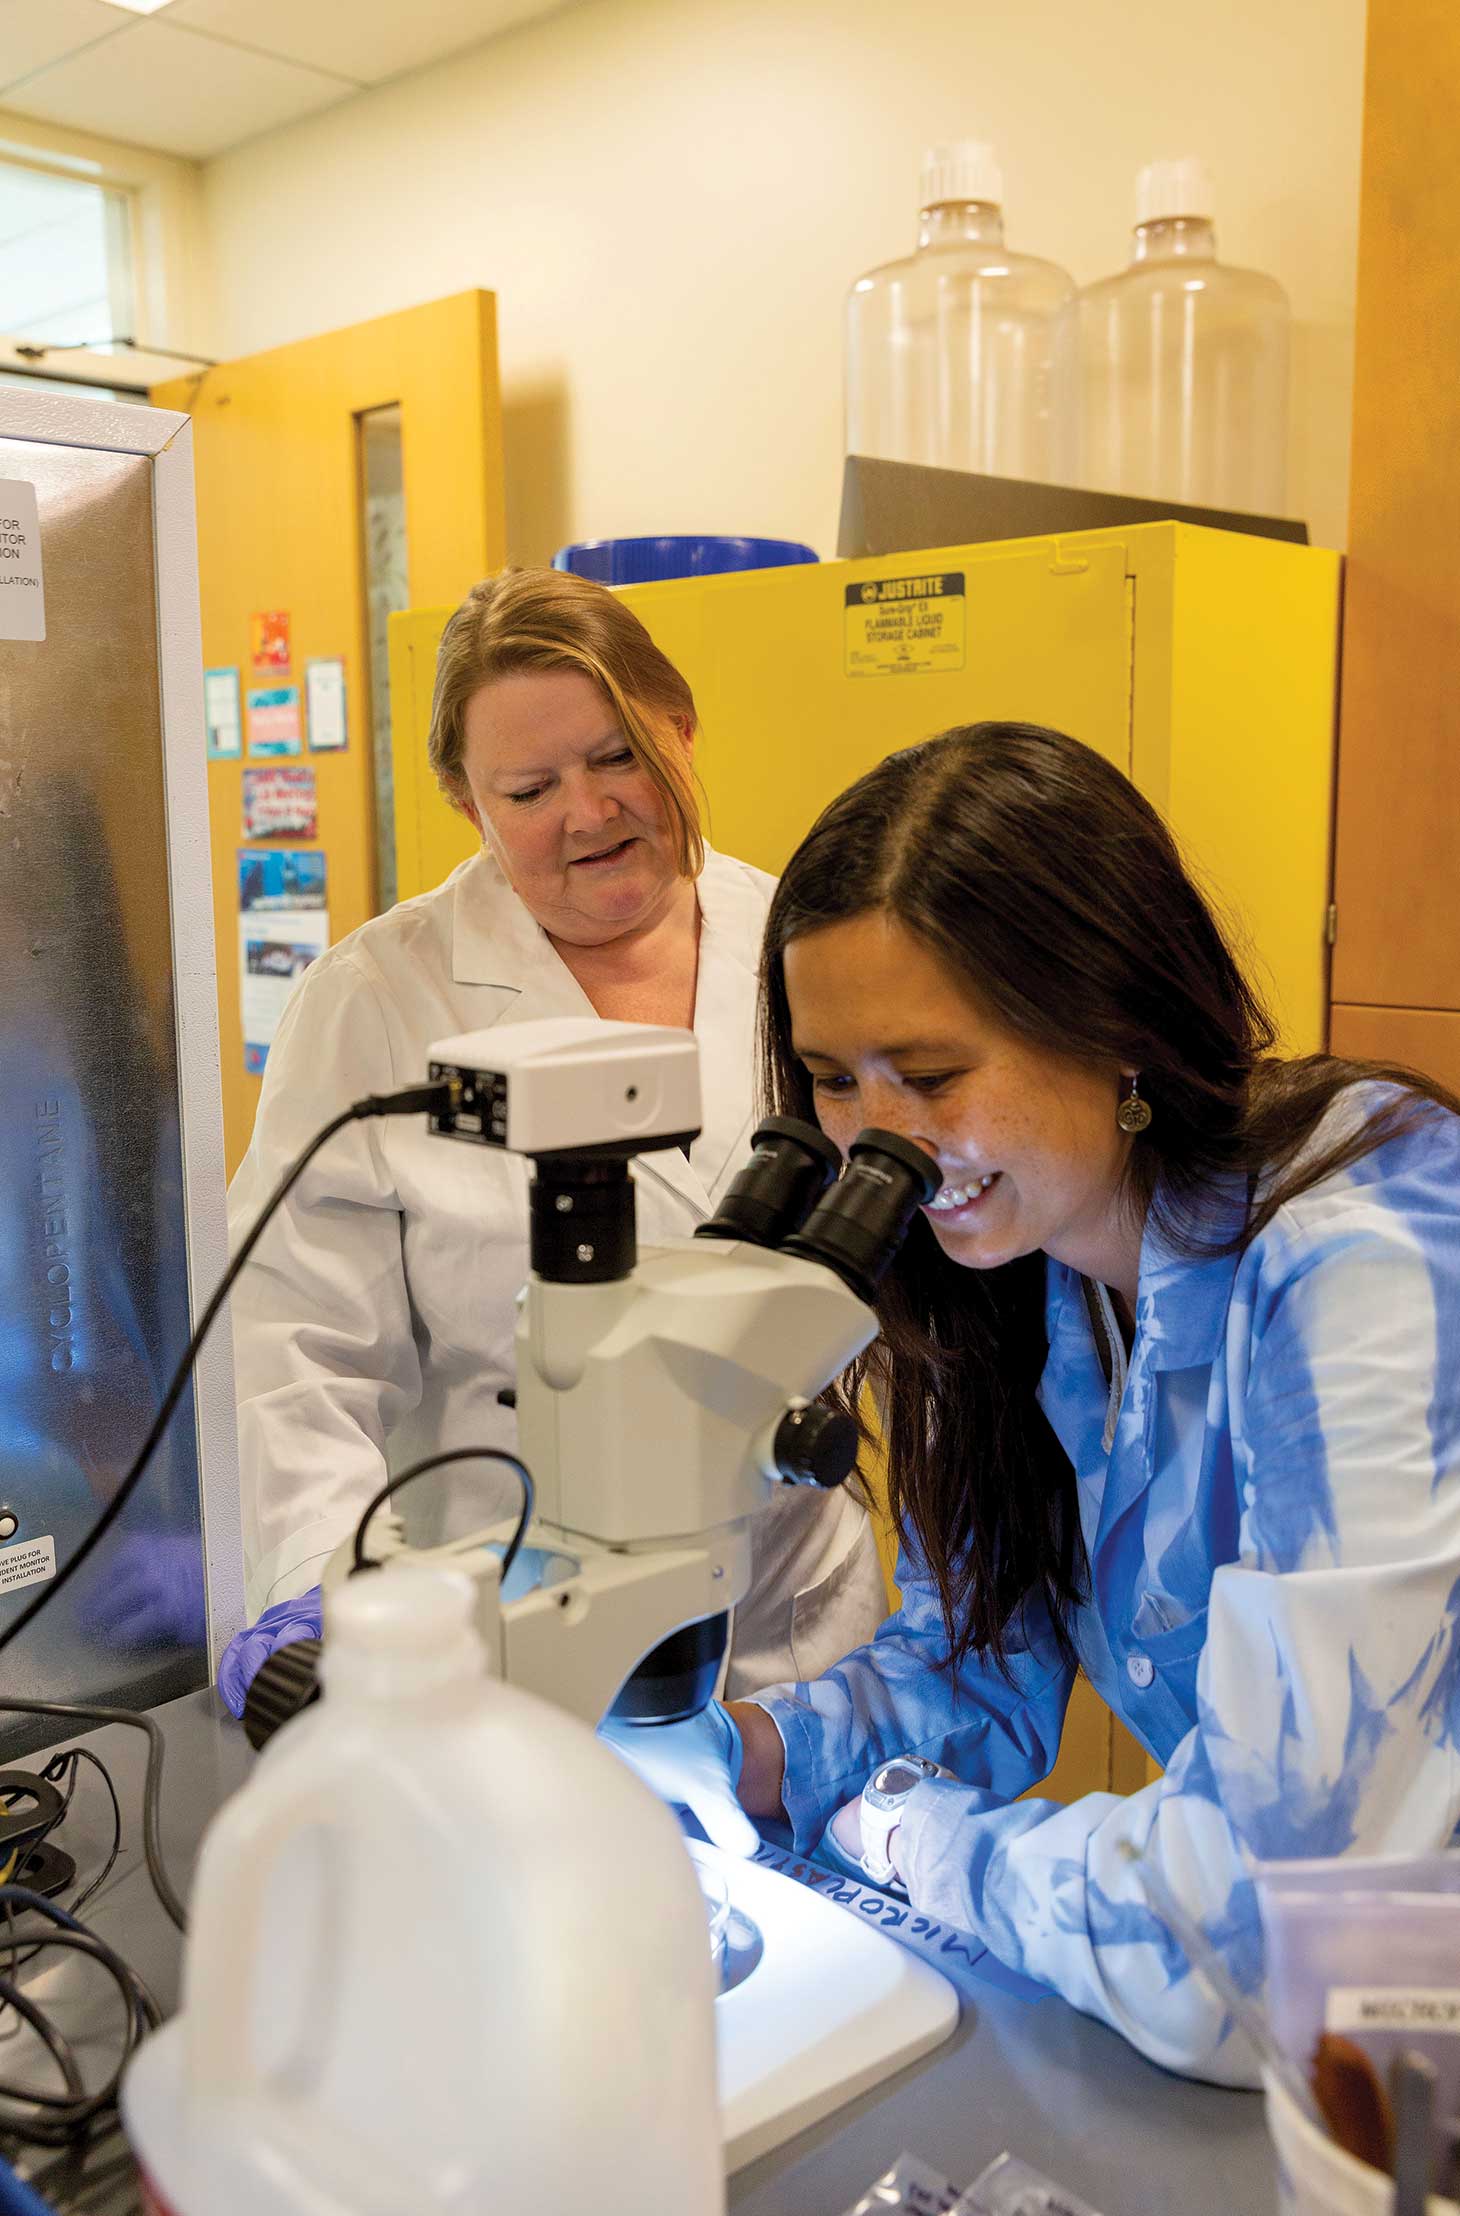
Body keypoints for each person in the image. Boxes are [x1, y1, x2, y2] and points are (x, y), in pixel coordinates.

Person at [616, 720, 1460, 2086]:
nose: (873, 1140)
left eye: (931, 1076)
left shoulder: (1366, 1249)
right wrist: (740, 1757)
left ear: (1111, 1024)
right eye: (832, 1082)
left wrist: (907, 1835)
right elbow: (979, 1657)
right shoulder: (1018, 1268)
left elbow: (1270, 1936)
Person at [217, 569, 884, 1711]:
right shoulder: (377, 999)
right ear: (467, 802)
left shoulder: (806, 941)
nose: (589, 812)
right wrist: (313, 1599)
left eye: (618, 754)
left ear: (678, 726)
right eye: (529, 787)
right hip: (509, 1620)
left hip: (789, 1617)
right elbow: (295, 1347)